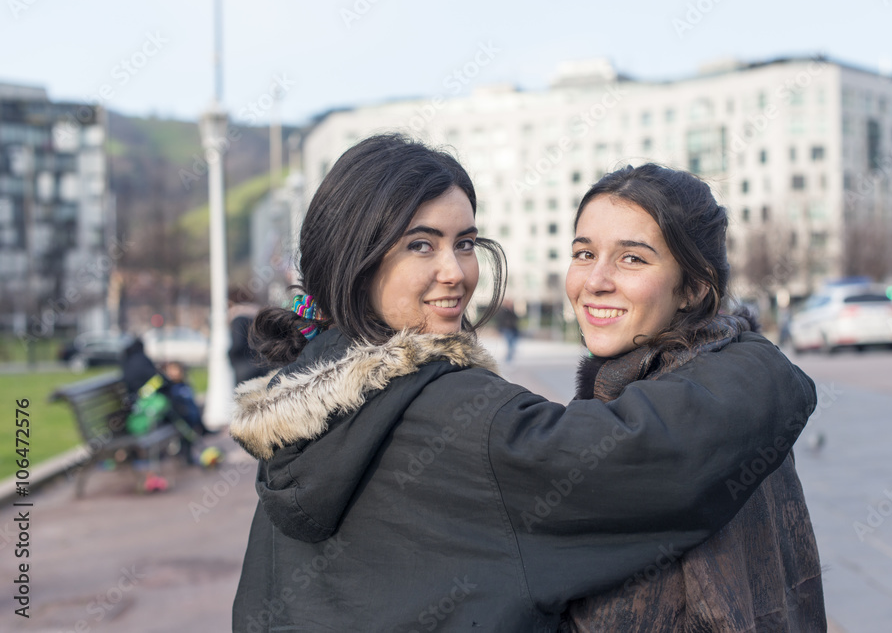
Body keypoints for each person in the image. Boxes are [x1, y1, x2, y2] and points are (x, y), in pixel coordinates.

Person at [229, 134, 817, 632]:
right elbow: (638, 460)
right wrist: (764, 369)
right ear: (354, 256)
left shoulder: (305, 405)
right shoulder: (444, 412)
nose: (455, 272)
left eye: (465, 243)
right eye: (420, 245)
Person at [560, 164, 825, 631]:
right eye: (584, 253)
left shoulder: (692, 416)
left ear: (695, 287)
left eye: (632, 259)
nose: (594, 280)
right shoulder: (686, 386)